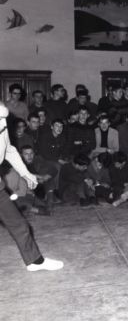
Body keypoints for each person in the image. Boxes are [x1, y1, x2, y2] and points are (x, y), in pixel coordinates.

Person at [0, 102, 63, 271]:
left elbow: (9, 150)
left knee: (19, 224)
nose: (3, 122)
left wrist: (27, 174)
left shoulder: (3, 120)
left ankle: (35, 261)